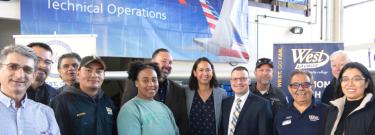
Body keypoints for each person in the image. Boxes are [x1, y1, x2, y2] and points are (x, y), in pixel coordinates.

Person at [121, 48, 189, 135]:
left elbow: (183, 123)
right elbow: (127, 116)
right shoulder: (135, 84)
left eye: (170, 62)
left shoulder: (178, 90)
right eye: (164, 61)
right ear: (153, 62)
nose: (168, 65)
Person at [50, 55, 117, 135]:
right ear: (78, 73)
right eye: (88, 70)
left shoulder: (107, 101)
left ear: (104, 75)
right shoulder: (61, 102)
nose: (94, 75)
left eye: (99, 71)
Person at [0, 45, 60, 134]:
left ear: (33, 75)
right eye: (12, 67)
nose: (19, 75)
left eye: (27, 69)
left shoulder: (46, 112)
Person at [117, 62, 179, 135]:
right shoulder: (129, 110)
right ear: (136, 83)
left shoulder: (164, 108)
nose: (151, 84)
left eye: (154, 80)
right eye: (145, 80)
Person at [323, 62, 375, 135]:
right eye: (345, 79)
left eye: (356, 79)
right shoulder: (333, 108)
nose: (350, 84)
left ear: (366, 83)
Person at [220, 66, 273, 135]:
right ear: (231, 82)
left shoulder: (262, 105)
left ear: (249, 81)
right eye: (235, 79)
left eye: (243, 79)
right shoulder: (225, 103)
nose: (239, 82)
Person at [274, 70, 328, 135]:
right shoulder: (280, 112)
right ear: (289, 89)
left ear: (313, 87)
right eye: (295, 85)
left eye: (305, 85)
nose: (300, 88)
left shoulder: (326, 111)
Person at [186, 57, 227, 135]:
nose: (205, 73)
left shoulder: (222, 94)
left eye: (208, 70)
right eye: (201, 70)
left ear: (212, 72)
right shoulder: (185, 92)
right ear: (195, 73)